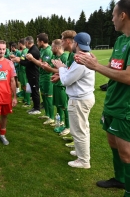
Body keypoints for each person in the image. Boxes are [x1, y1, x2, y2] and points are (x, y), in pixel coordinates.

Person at [77, 0, 130, 196]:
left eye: (113, 14)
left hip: (127, 107)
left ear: (123, 15)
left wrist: (96, 67)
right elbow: (113, 68)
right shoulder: (121, 39)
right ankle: (119, 179)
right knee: (113, 144)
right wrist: (89, 61)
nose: (112, 18)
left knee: (127, 154)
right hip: (112, 103)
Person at [52, 32, 95, 169]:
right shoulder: (84, 57)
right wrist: (63, 69)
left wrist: (60, 68)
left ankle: (83, 160)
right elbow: (69, 74)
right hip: (82, 98)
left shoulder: (81, 61)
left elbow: (66, 80)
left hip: (79, 100)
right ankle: (80, 152)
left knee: (79, 130)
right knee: (82, 128)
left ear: (76, 43)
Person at [26, 33, 54, 122]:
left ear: (42, 41)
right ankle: (47, 114)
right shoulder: (42, 50)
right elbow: (40, 62)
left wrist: (32, 59)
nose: (36, 42)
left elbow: (43, 66)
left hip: (47, 77)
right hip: (41, 76)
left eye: (37, 41)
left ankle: (52, 117)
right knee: (44, 97)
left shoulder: (48, 51)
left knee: (48, 97)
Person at [11, 36, 41, 115]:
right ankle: (34, 107)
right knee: (32, 90)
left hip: (34, 74)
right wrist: (19, 59)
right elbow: (27, 61)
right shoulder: (31, 49)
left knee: (35, 91)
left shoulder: (33, 51)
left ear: (27, 43)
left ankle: (37, 108)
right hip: (31, 74)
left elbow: (28, 63)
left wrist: (19, 61)